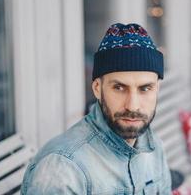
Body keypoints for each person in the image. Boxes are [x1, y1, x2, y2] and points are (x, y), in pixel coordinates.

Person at [21, 23, 171, 195]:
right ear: (97, 88)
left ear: (157, 89)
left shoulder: (153, 146)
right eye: (119, 88)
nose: (133, 105)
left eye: (145, 88)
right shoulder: (63, 170)